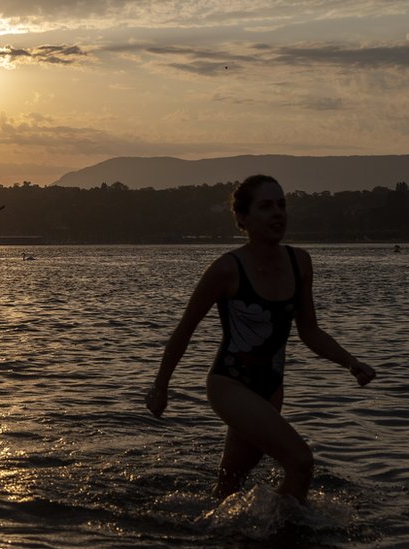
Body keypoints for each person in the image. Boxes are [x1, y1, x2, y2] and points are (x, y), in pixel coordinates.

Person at [145, 174, 377, 504]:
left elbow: (309, 330)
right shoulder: (228, 269)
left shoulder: (300, 262)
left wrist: (350, 361)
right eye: (266, 206)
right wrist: (161, 386)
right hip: (230, 385)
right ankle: (285, 534)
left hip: (271, 388)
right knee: (300, 462)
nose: (278, 213)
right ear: (242, 218)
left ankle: (213, 532)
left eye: (282, 205)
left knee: (229, 485)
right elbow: (185, 330)